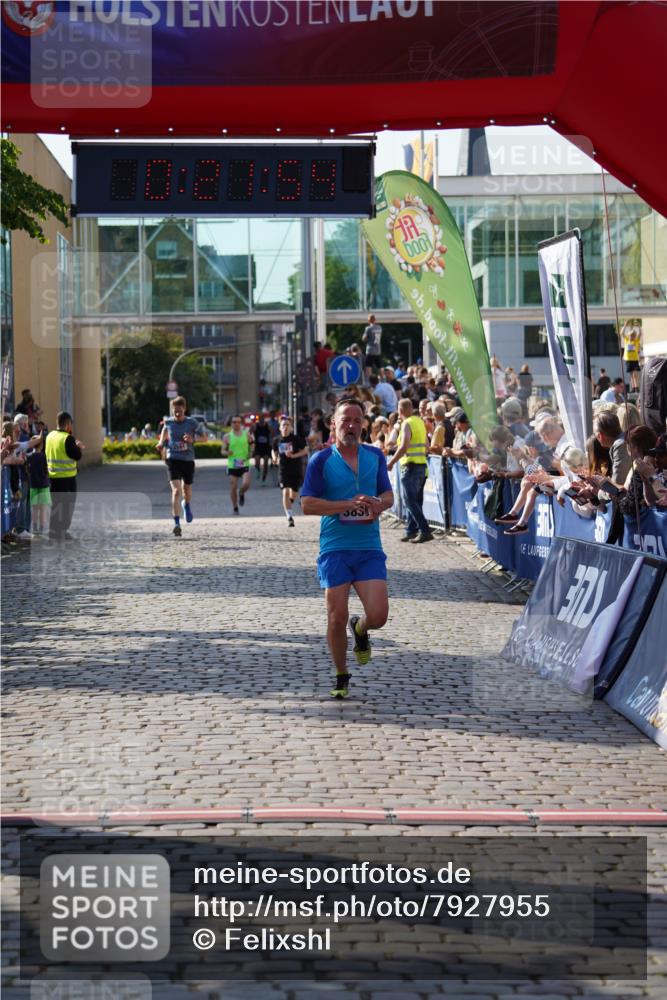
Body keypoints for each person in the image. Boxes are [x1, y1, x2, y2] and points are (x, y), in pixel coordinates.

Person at [301, 397, 394, 699]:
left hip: (368, 547)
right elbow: (306, 505)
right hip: (335, 548)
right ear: (333, 425)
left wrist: (379, 504)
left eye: (356, 421)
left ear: (364, 424)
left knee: (378, 615)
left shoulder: (375, 456)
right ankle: (341, 673)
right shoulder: (321, 460)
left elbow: (388, 495)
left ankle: (362, 629)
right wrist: (346, 505)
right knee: (335, 616)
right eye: (345, 421)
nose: (351, 426)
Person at [156, 396, 204, 537]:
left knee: (186, 490)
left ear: (184, 409)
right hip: (173, 460)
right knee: (176, 492)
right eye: (174, 411)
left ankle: (186, 504)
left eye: (179, 410)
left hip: (188, 460)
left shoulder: (192, 423)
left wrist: (192, 439)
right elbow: (165, 431)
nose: (177, 413)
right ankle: (177, 524)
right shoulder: (168, 422)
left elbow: (204, 437)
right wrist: (160, 443)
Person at [387, 398, 432, 543]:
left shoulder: (406, 424)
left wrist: (392, 462)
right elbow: (426, 444)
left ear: (399, 411)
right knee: (416, 501)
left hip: (410, 467)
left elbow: (404, 446)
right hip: (422, 467)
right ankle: (411, 530)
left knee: (410, 501)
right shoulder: (419, 422)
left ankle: (425, 530)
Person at [45, 411, 85, 541]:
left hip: (52, 478)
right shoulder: (67, 438)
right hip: (67, 479)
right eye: (71, 425)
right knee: (67, 507)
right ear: (68, 424)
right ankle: (62, 532)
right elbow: (77, 456)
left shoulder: (50, 436)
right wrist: (78, 447)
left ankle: (53, 531)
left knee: (56, 506)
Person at [272, 415, 308, 527]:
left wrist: (294, 455)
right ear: (280, 427)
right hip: (283, 469)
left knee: (294, 493)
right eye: (283, 425)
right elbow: (273, 450)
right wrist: (274, 458)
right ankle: (290, 517)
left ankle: (289, 503)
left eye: (288, 425)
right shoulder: (276, 440)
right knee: (285, 492)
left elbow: (305, 450)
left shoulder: (296, 439)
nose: (285, 427)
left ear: (291, 427)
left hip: (295, 469)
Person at [221, 415, 252, 514]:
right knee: (233, 486)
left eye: (238, 422)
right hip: (232, 464)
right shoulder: (227, 437)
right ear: (231, 424)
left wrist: (251, 453)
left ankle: (241, 492)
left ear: (241, 423)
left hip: (244, 463)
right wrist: (227, 453)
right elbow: (222, 451)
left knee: (246, 483)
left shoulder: (246, 435)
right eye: (234, 422)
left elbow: (252, 444)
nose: (236, 424)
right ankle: (235, 507)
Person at [26, 430, 51, 537]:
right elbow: (47, 470)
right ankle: (41, 528)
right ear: (42, 445)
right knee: (43, 509)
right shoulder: (43, 456)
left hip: (33, 485)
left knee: (35, 508)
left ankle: (35, 528)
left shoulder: (29, 456)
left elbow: (27, 469)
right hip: (43, 485)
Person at [252, 413, 273, 484]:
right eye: (260, 418)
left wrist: (271, 436)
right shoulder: (255, 425)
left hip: (266, 447)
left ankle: (264, 477)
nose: (261, 419)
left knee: (266, 463)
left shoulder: (267, 425)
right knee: (257, 462)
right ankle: (258, 470)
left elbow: (273, 433)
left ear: (264, 418)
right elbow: (249, 432)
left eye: (262, 418)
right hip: (258, 447)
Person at [622, 320, 642, 392]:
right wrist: (625, 325)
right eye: (630, 335)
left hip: (634, 359)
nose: (631, 337)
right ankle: (633, 387)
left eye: (633, 336)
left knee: (635, 375)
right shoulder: (627, 340)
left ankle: (636, 387)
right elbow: (622, 333)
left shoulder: (636, 341)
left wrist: (639, 326)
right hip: (628, 359)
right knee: (631, 375)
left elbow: (640, 334)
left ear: (634, 336)